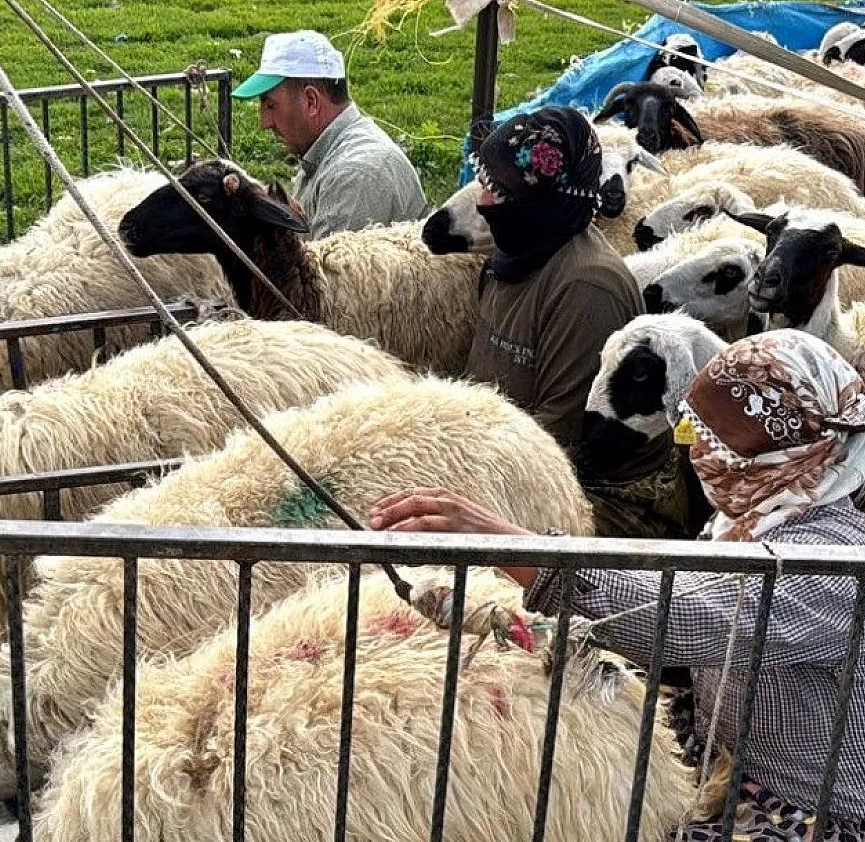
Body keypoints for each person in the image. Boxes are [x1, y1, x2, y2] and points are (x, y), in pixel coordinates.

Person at [371, 330, 865, 842]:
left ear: (786, 454)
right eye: (691, 431)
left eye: (715, 441)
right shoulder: (756, 525)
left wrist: (509, 546)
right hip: (748, 778)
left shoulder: (830, 563)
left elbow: (684, 620)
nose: (694, 452)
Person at [463, 105, 687, 539]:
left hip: (600, 500)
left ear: (536, 204)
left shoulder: (587, 289)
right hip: (508, 456)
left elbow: (562, 434)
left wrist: (459, 471)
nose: (483, 201)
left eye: (496, 189)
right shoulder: (512, 258)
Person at [231, 30, 427, 238]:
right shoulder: (322, 151)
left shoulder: (354, 176)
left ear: (311, 101)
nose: (264, 123)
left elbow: (328, 270)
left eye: (270, 105)